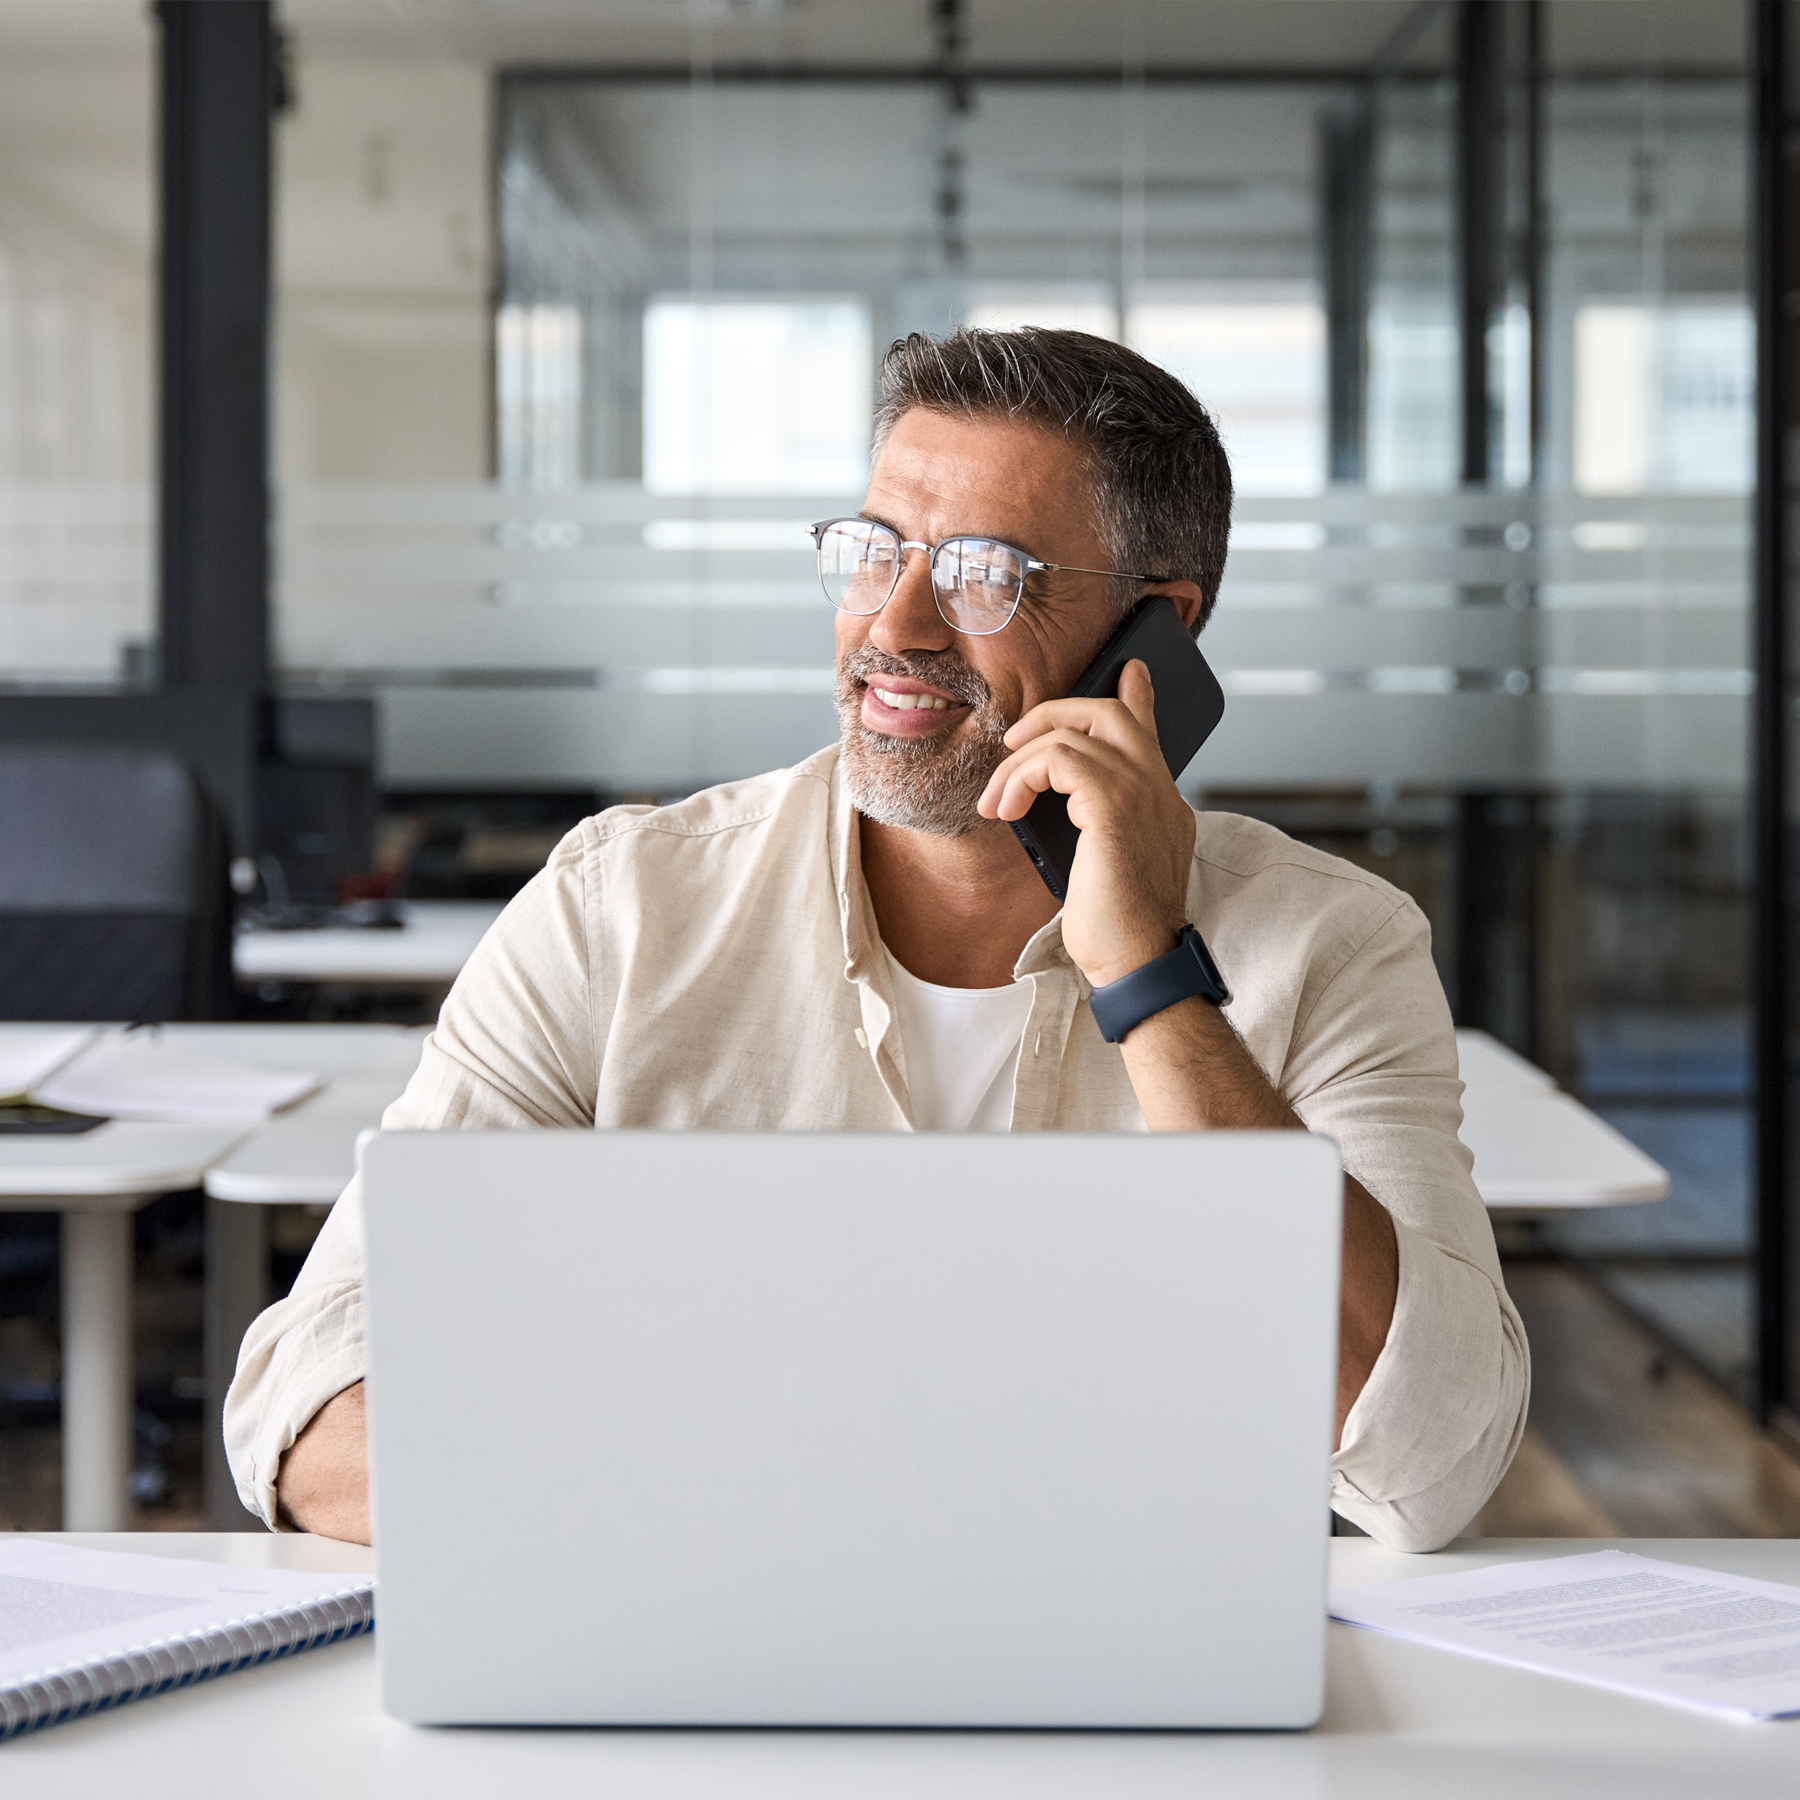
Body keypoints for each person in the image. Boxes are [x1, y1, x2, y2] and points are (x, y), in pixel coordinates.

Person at [226, 326, 1527, 1552]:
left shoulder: (1333, 946)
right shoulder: (622, 911)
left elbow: (1434, 1459)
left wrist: (1153, 981)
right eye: (875, 549)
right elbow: (311, 1404)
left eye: (980, 574)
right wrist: (768, 1505)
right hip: (696, 1659)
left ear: (1158, 634)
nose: (894, 626)